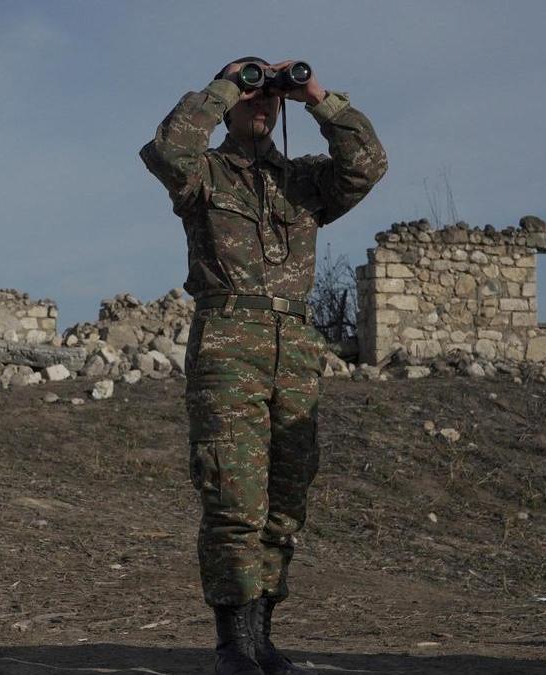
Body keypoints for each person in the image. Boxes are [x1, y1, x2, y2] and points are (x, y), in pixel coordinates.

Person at [139, 57, 387, 675]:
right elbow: (167, 150)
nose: (260, 104)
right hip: (228, 343)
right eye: (252, 96)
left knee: (285, 502)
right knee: (233, 497)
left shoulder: (303, 183)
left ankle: (261, 636)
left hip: (296, 349)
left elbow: (367, 165)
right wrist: (227, 85)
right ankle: (232, 644)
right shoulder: (205, 174)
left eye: (266, 98)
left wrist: (315, 96)